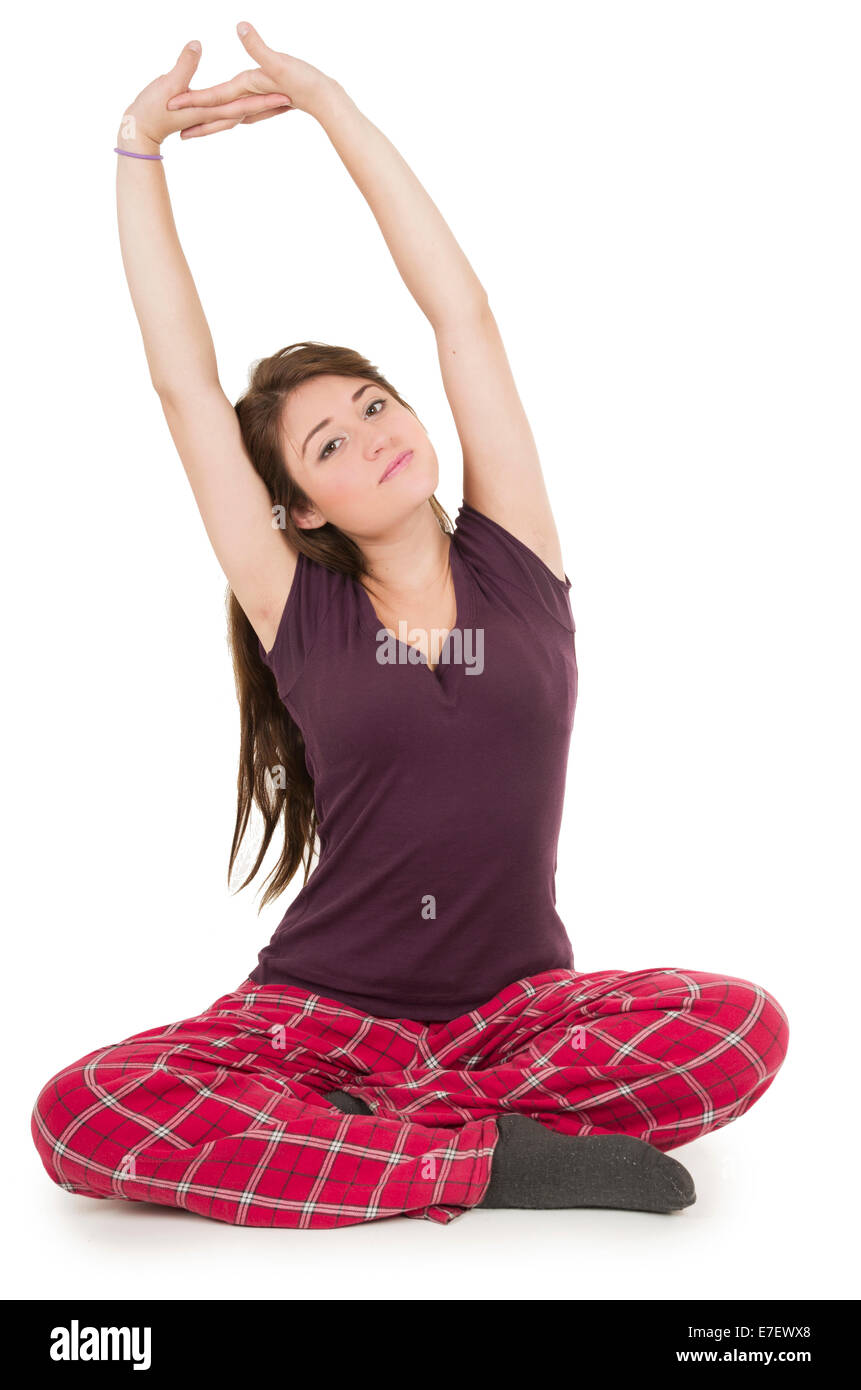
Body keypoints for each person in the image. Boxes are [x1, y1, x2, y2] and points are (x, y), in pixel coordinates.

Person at [31, 24, 789, 1230]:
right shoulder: (302, 606)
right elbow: (183, 387)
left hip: (514, 1015)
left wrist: (330, 105)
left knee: (744, 1027)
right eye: (328, 443)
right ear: (294, 503)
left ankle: (384, 1140)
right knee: (82, 1112)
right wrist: (137, 149)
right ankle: (484, 1162)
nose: (372, 433)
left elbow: (464, 315)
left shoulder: (518, 555)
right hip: (321, 1015)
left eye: (373, 404)